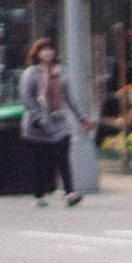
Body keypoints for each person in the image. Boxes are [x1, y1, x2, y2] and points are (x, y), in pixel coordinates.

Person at [19, 37, 90, 207]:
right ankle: (38, 194)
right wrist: (37, 117)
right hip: (39, 125)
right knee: (40, 161)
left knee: (63, 156)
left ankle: (69, 192)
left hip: (59, 121)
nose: (48, 52)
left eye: (51, 49)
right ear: (37, 53)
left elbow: (70, 97)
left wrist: (82, 117)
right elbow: (27, 97)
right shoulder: (31, 73)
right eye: (44, 49)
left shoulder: (61, 72)